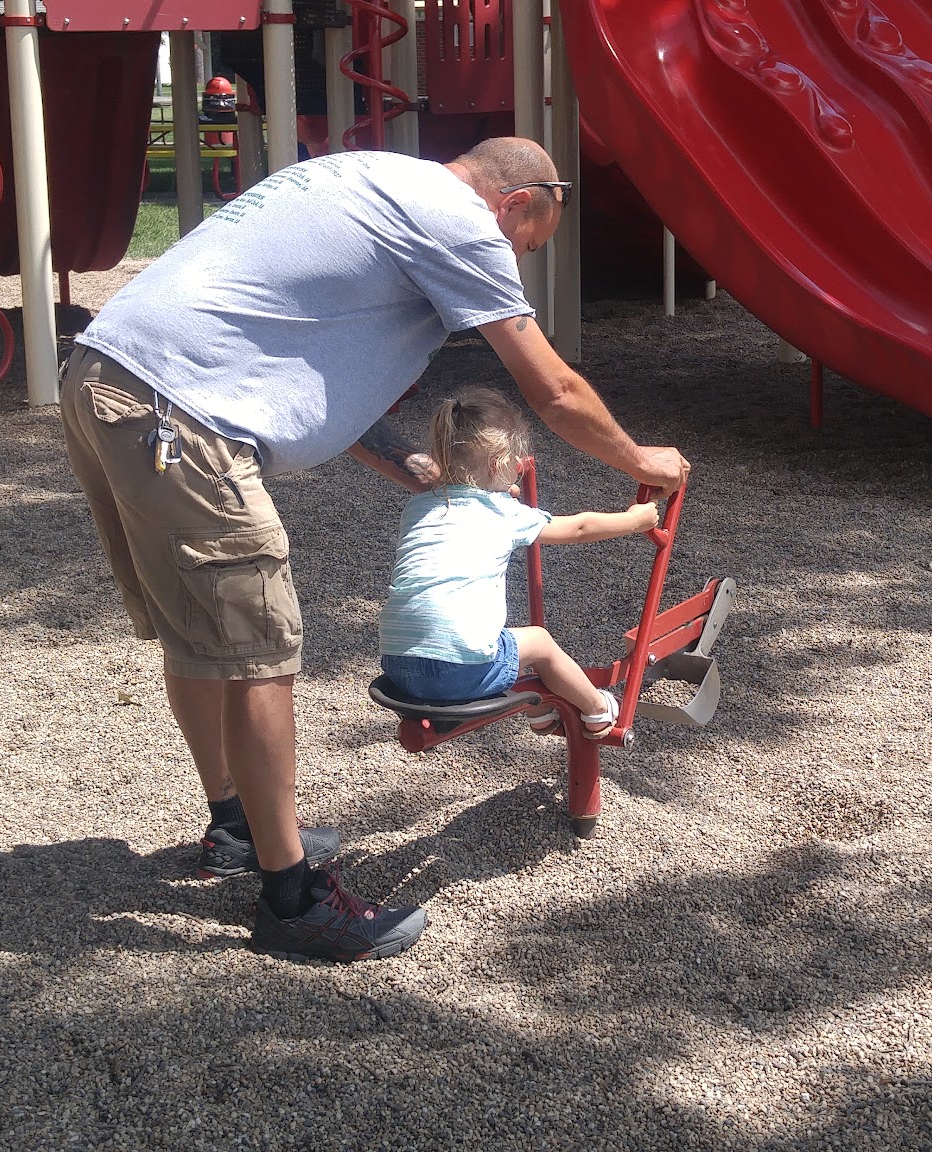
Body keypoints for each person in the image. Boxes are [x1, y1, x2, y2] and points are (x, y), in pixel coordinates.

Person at [60, 137, 690, 962]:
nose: (514, 264)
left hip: (109, 379)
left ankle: (237, 828)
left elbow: (311, 359)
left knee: (201, 636)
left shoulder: (365, 176)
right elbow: (554, 389)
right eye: (524, 246)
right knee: (259, 650)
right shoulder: (462, 222)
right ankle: (292, 900)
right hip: (180, 418)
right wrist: (645, 463)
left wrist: (407, 466)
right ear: (517, 202)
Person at [377, 389, 658, 738]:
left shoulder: (418, 508)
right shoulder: (504, 513)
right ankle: (598, 710)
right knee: (538, 643)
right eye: (516, 461)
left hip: (396, 666)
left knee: (505, 642)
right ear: (498, 465)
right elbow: (579, 526)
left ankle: (540, 712)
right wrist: (636, 520)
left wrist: (493, 491)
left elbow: (465, 506)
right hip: (456, 673)